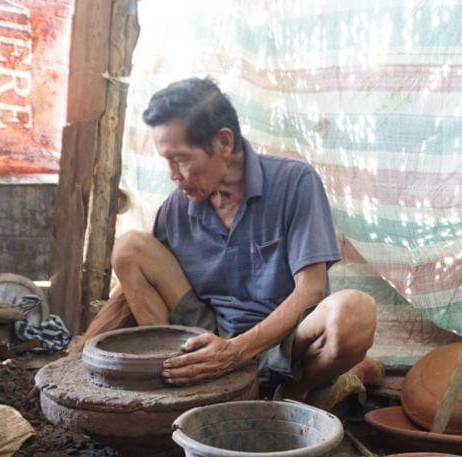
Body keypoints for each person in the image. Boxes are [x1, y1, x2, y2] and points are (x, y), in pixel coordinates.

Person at [109, 77, 376, 401]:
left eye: (180, 159)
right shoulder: (178, 206)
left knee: (355, 312)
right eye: (166, 161)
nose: (172, 175)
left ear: (223, 142)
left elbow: (311, 290)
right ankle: (180, 377)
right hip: (207, 337)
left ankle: (292, 392)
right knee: (129, 248)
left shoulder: (295, 182)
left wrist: (236, 352)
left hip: (287, 342)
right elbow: (141, 291)